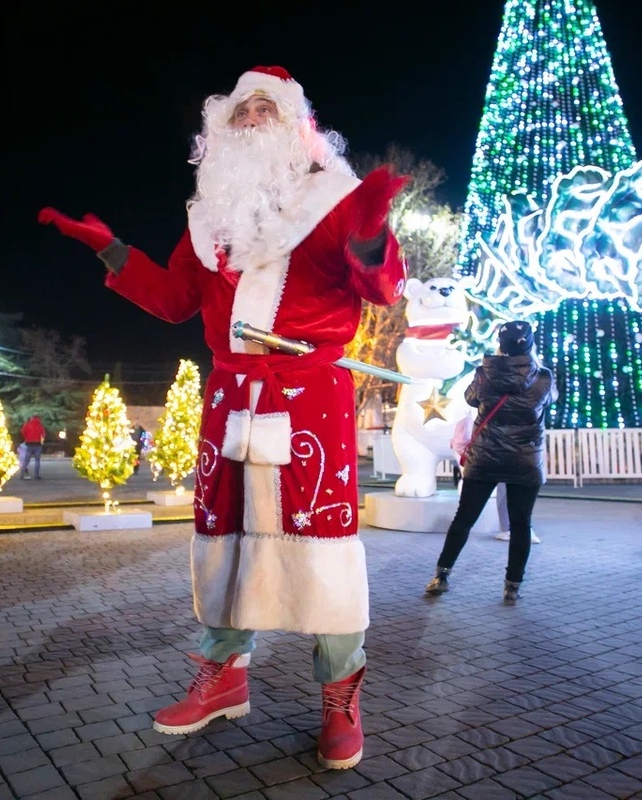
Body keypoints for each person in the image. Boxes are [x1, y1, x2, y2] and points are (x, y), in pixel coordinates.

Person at [39, 65, 408, 770]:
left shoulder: (335, 199)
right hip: (231, 393)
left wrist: (370, 239)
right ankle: (223, 675)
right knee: (224, 539)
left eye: (267, 108)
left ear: (299, 124)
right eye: (240, 111)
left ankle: (340, 694)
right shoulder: (209, 214)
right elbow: (177, 298)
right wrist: (113, 251)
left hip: (307, 391)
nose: (251, 120)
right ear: (219, 129)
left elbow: (382, 288)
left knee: (321, 544)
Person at [425, 321, 554, 605]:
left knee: (464, 519)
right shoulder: (543, 377)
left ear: (501, 345)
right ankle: (512, 586)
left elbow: (470, 399)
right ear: (530, 345)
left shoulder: (484, 374)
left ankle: (441, 575)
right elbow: (547, 404)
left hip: (486, 457)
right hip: (525, 459)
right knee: (521, 525)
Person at [20, 415, 46, 479]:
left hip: (29, 444)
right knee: (37, 461)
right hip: (37, 444)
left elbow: (23, 431)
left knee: (26, 460)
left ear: (32, 419)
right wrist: (41, 442)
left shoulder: (27, 425)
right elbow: (43, 435)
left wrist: (26, 437)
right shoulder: (40, 426)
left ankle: (22, 474)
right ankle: (36, 475)